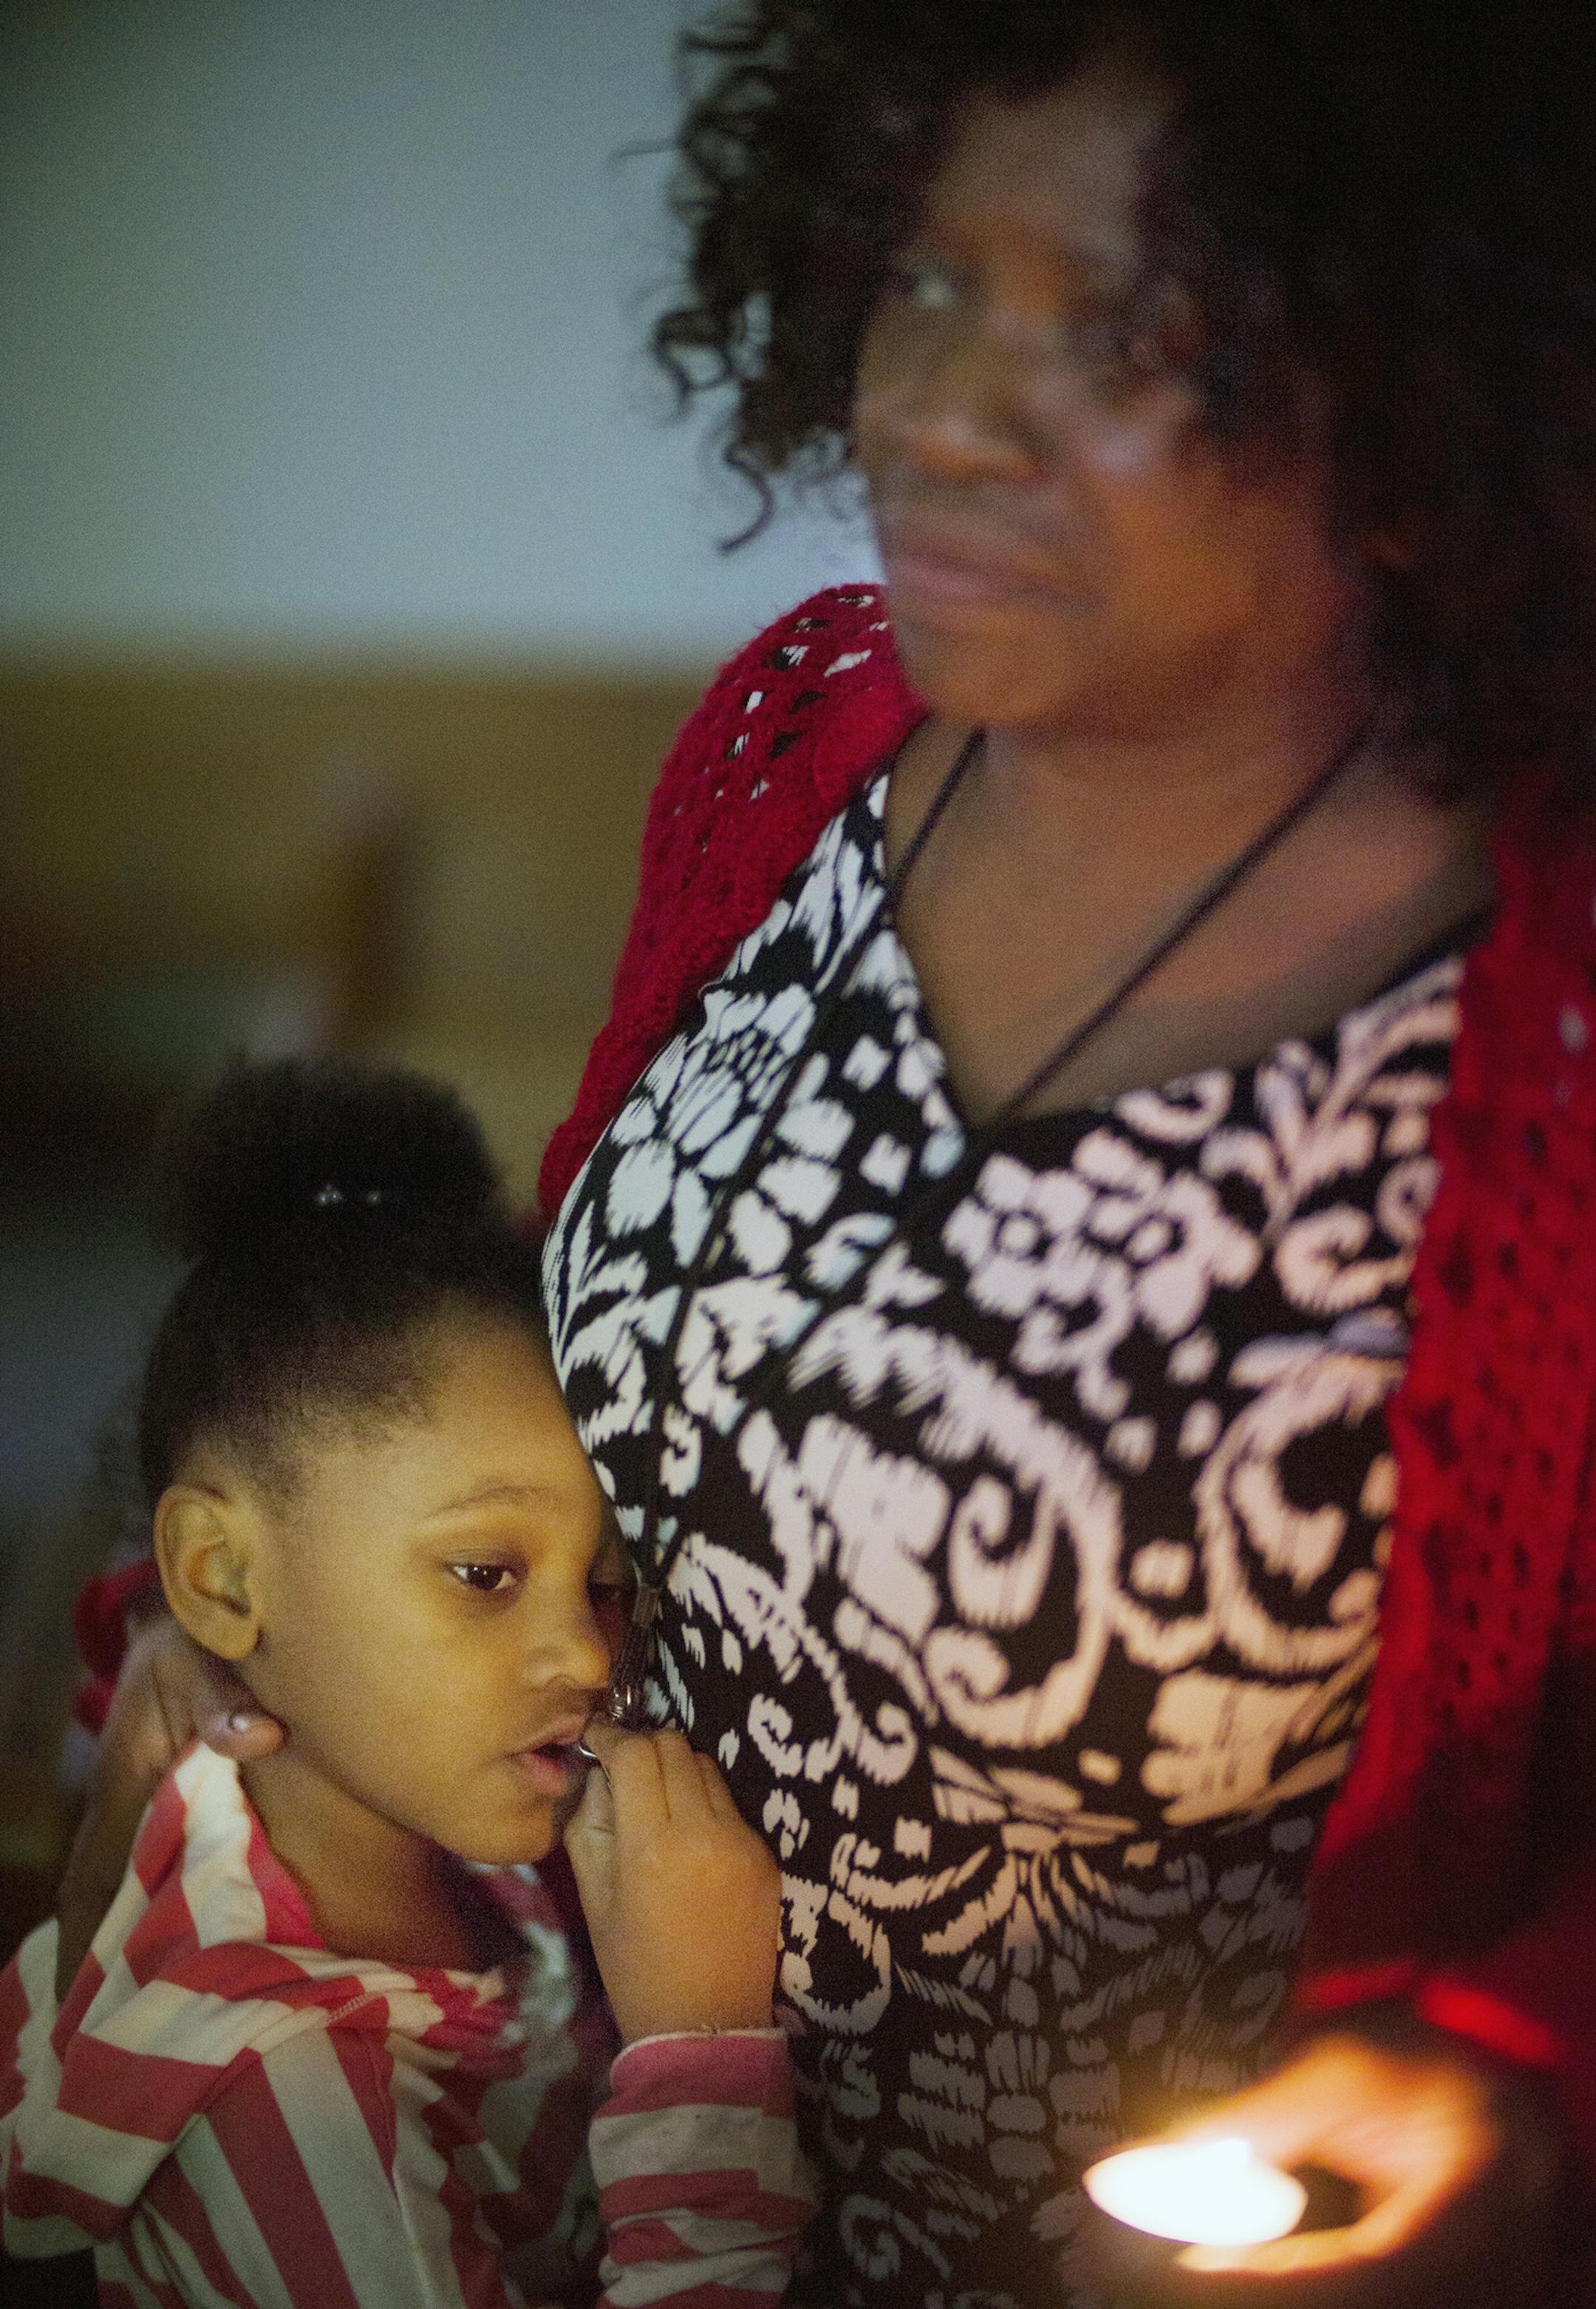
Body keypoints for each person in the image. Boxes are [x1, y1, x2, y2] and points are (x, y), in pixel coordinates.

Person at [52, 3, 1596, 2304]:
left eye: (1130, 327)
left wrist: (1498, 2065)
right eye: (929, 279)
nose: (942, 409)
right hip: (556, 2169)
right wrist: (236, 1627)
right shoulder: (804, 734)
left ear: (1414, 378)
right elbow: (565, 1362)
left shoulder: (1534, 1012)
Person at [0, 1061, 812, 2307]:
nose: (592, 1654)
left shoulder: (330, 1772)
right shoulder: (310, 2114)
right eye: (486, 1572)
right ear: (217, 1578)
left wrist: (214, 1622)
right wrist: (698, 2052)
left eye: (606, 1580)